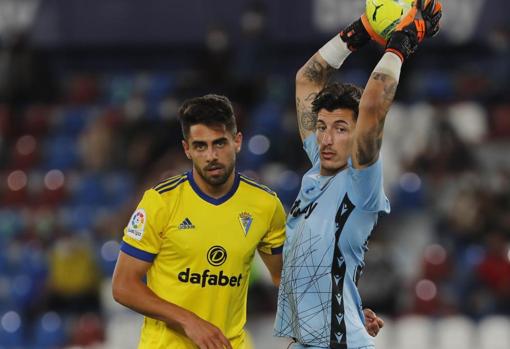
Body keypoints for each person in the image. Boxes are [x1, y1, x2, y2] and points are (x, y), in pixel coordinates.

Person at [274, 1, 442, 348]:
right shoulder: (319, 164)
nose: (327, 138)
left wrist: (402, 42)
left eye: (340, 129)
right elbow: (308, 78)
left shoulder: (360, 183)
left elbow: (372, 105)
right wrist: (363, 28)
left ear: (357, 136)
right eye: (321, 127)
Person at [112, 94, 287, 349]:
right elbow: (123, 286)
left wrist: (344, 311)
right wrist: (189, 321)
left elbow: (284, 277)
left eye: (219, 144)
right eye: (201, 146)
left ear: (237, 142)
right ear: (187, 149)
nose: (211, 156)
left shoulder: (265, 205)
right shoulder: (160, 202)